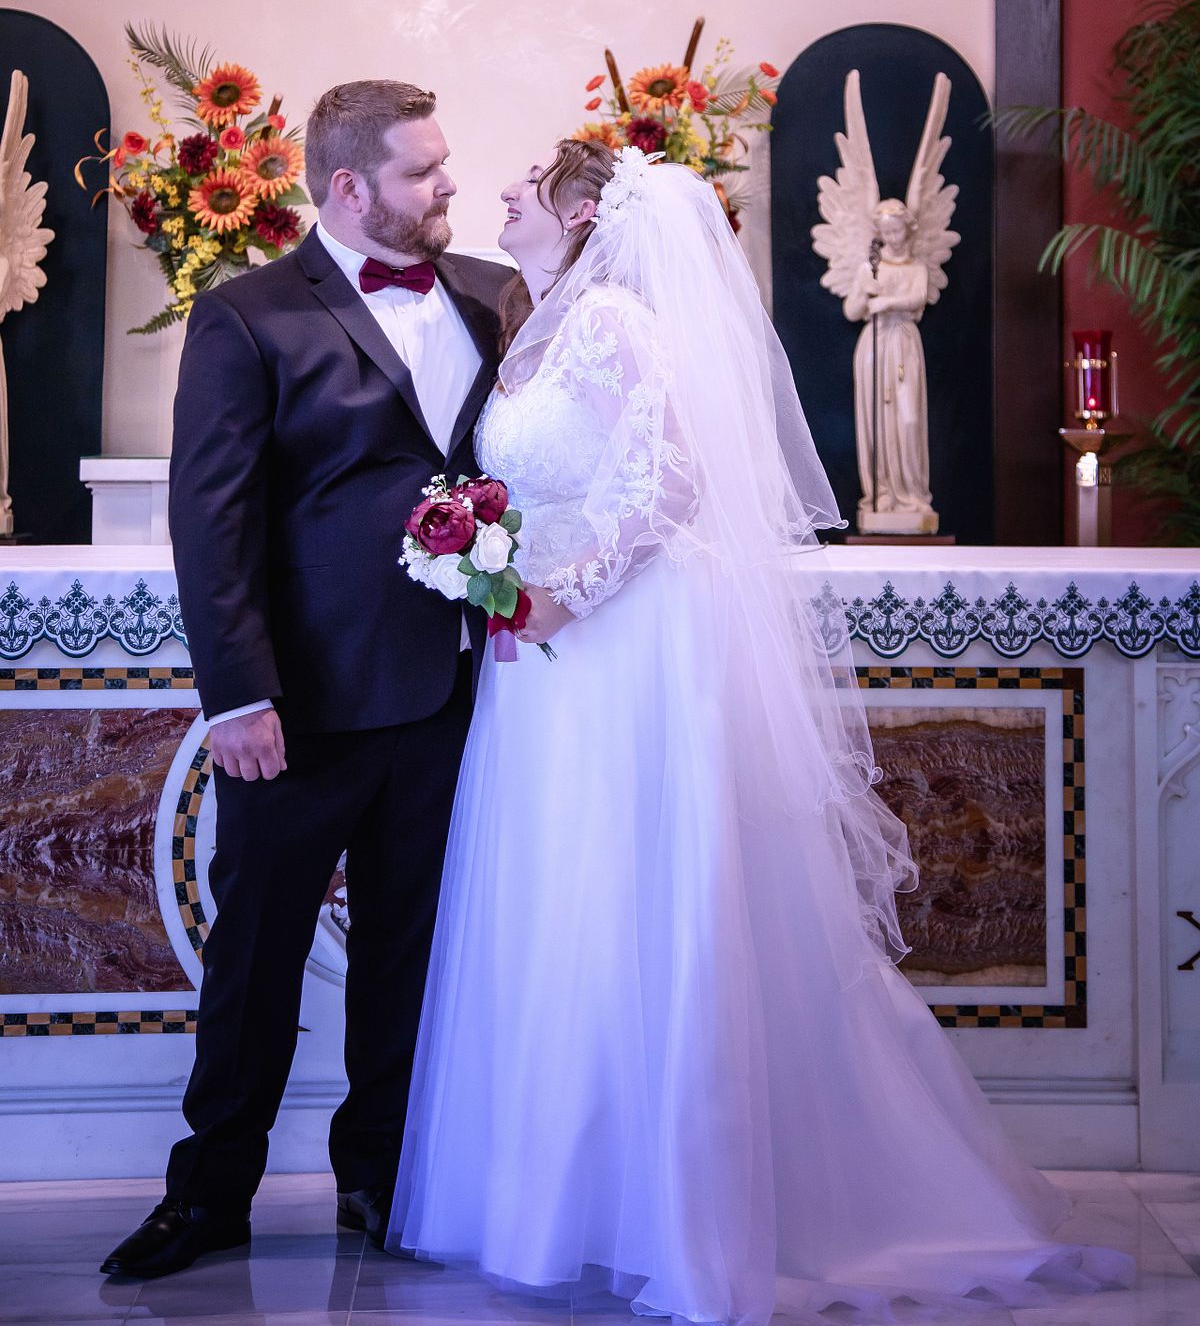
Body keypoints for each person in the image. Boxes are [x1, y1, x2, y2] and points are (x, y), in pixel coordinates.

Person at [387, 140, 1132, 1324]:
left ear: (584, 212)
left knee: (645, 903)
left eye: (533, 174)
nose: (506, 185)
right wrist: (488, 559)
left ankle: (683, 1210)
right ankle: (569, 1199)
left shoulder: (618, 323)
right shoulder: (531, 320)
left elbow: (671, 479)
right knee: (566, 902)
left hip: (621, 643)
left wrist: (558, 591)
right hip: (549, 656)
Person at [101, 80, 512, 1279]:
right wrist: (238, 695)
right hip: (298, 706)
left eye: (444, 168)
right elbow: (211, 521)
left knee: (411, 952)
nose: (446, 188)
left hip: (456, 692)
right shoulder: (247, 317)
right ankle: (210, 1192)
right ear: (347, 190)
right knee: (257, 952)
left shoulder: (496, 295)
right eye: (422, 173)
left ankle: (380, 1180)